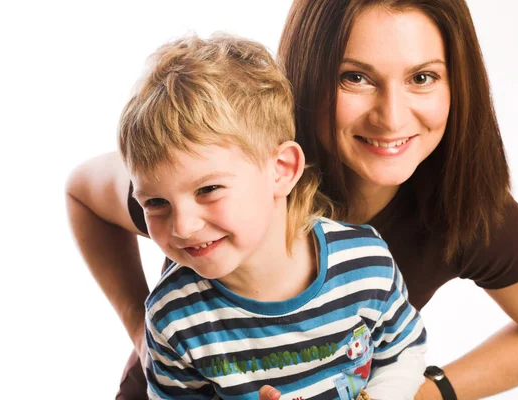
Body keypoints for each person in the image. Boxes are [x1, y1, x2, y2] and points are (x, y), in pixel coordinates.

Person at [65, 0, 518, 399]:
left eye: (423, 77)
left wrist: (422, 392)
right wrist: (137, 325)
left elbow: (401, 353)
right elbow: (83, 193)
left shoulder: (464, 205)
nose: (391, 117)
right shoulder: (218, 164)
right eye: (355, 78)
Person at [118, 33, 426, 400]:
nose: (182, 226)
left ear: (281, 170)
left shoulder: (365, 263)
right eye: (155, 203)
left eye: (208, 190)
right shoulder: (173, 317)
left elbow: (404, 353)